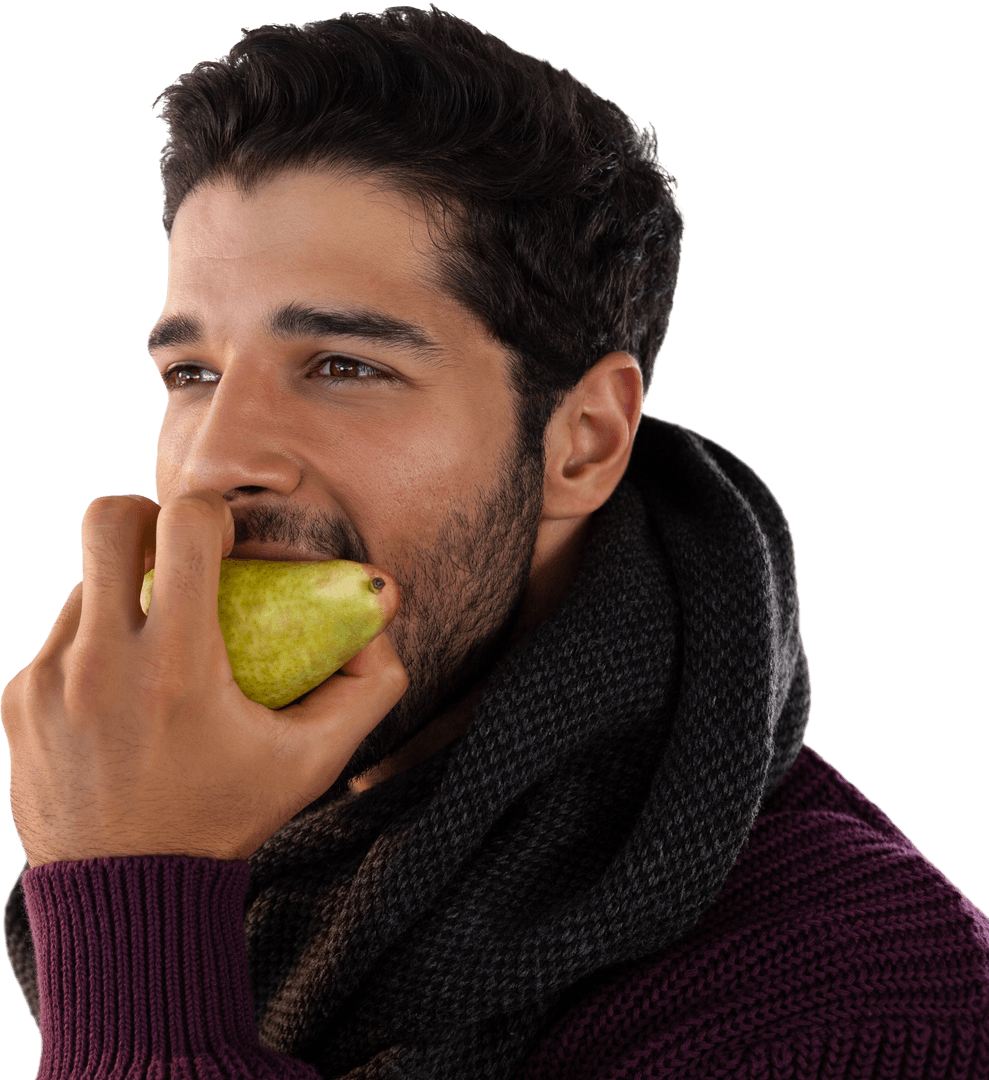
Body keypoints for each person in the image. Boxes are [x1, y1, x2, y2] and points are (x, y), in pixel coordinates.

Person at [4, 6, 987, 1078]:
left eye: (343, 365)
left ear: (581, 441)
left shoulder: (853, 997)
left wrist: (135, 895)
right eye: (192, 374)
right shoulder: (257, 858)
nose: (213, 460)